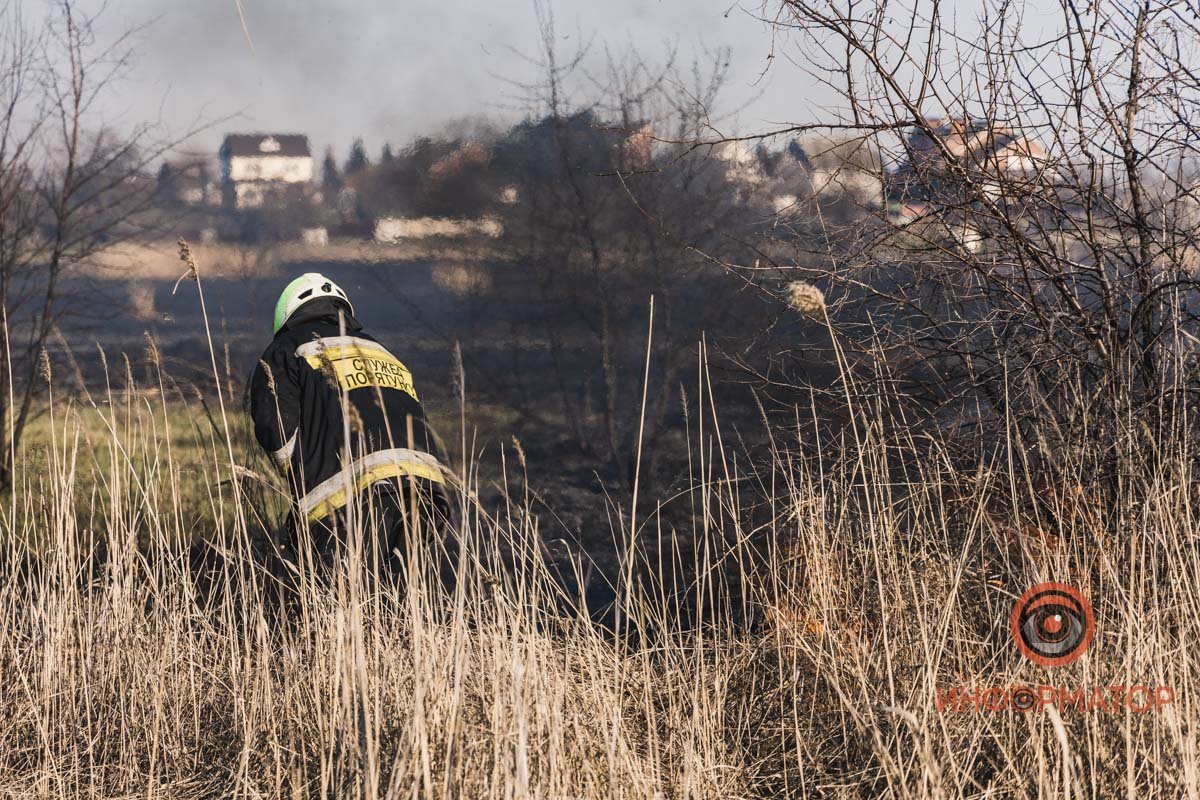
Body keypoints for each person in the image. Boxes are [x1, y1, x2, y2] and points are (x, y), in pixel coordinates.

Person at [246, 272, 453, 585]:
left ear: (286, 315)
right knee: (399, 597)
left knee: (345, 601)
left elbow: (275, 427)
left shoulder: (287, 348)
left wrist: (298, 472)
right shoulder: (382, 350)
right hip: (425, 489)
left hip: (355, 495)